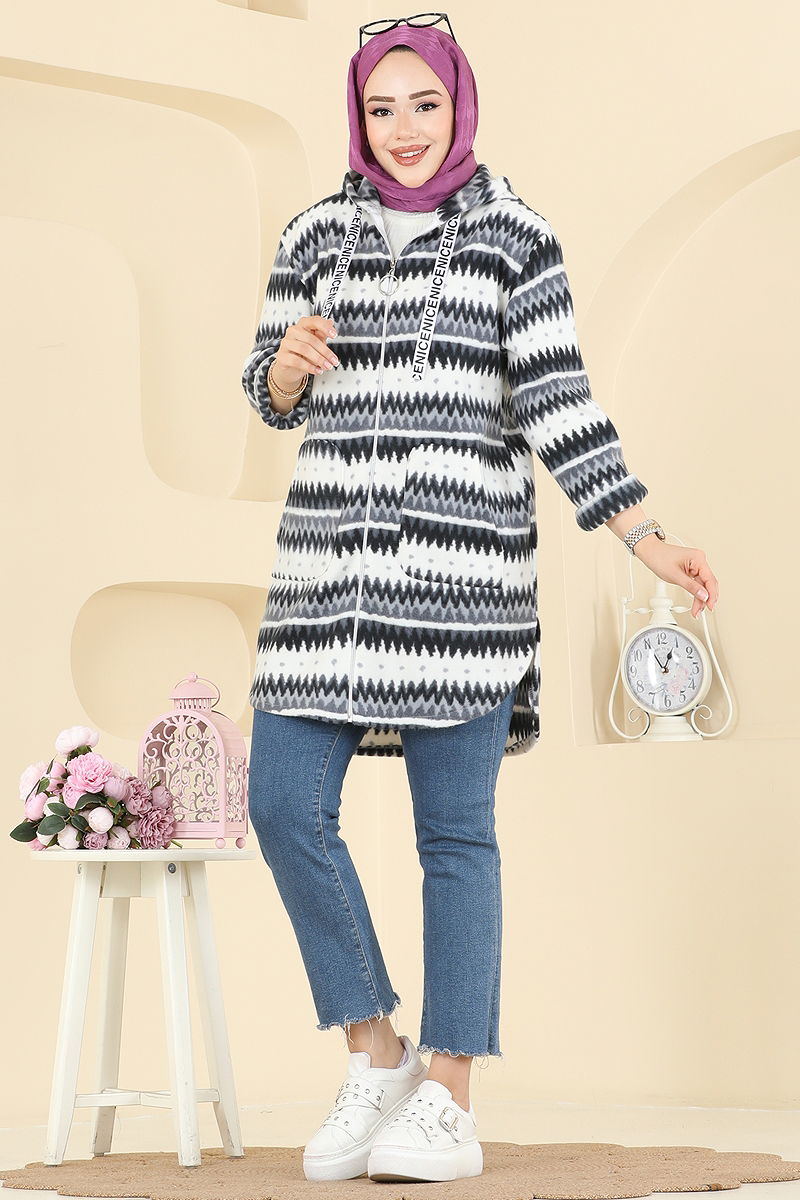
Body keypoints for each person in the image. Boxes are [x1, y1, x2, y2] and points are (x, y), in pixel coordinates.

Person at [241, 13, 719, 1185]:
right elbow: (267, 389)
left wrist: (641, 532)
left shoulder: (513, 236)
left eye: (424, 104)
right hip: (323, 581)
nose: (402, 129)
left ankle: (447, 1097)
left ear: (458, 106)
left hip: (462, 587)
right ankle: (376, 1053)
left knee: (454, 837)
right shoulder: (312, 235)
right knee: (282, 805)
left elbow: (557, 398)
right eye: (380, 108)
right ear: (356, 117)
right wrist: (283, 371)